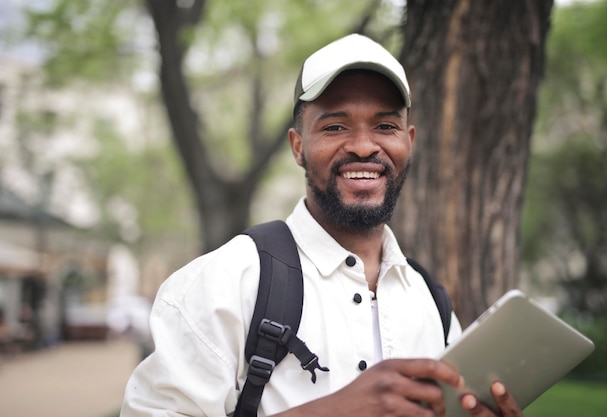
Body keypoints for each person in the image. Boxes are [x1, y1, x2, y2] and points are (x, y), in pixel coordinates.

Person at [121, 34, 524, 417]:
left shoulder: (431, 304)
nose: (365, 146)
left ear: (409, 141)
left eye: (386, 126)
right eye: (335, 127)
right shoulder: (226, 282)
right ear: (298, 146)